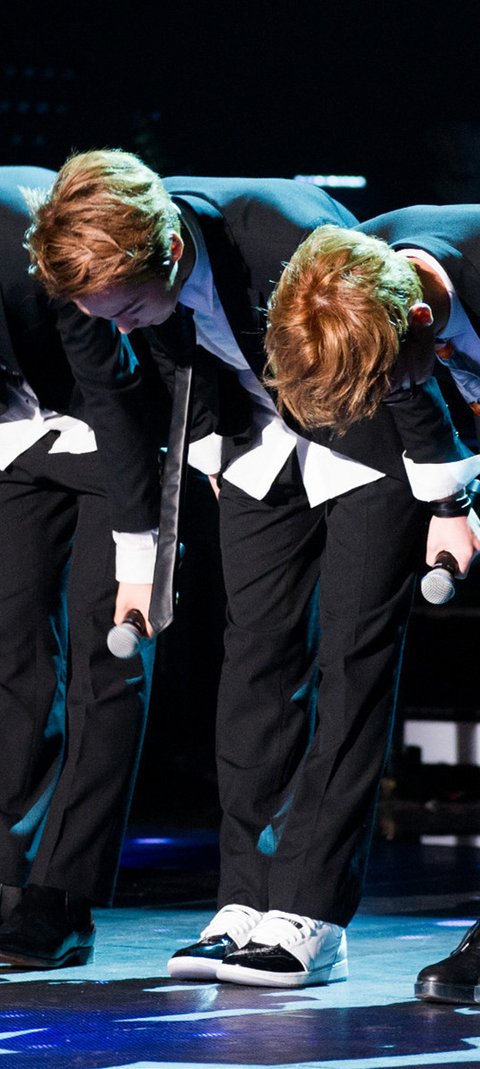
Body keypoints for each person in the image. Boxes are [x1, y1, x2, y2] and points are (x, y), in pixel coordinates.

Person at [25, 151, 480, 988]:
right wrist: (159, 528)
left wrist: (447, 495)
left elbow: (389, 348)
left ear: (169, 253)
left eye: (128, 309)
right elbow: (141, 386)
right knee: (255, 660)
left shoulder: (284, 236)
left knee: (350, 659)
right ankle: (244, 898)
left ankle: (310, 910)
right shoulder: (104, 283)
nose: (117, 328)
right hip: (254, 437)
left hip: (364, 429)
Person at [264, 207, 480, 1000]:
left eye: (384, 387)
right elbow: (409, 389)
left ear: (423, 323)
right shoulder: (355, 286)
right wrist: (450, 501)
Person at [0, 166, 158, 970]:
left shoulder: (37, 248)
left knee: (109, 653)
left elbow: (118, 393)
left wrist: (143, 554)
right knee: (14, 647)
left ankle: (62, 895)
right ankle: (6, 879)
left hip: (116, 426)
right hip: (17, 434)